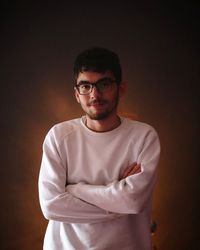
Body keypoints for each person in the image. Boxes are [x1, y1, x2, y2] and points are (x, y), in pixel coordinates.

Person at [38, 47, 161, 250]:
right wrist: (117, 199)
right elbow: (51, 206)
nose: (95, 94)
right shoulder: (59, 136)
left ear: (121, 88)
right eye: (85, 86)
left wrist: (75, 190)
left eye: (104, 84)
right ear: (77, 94)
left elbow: (133, 200)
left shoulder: (144, 137)